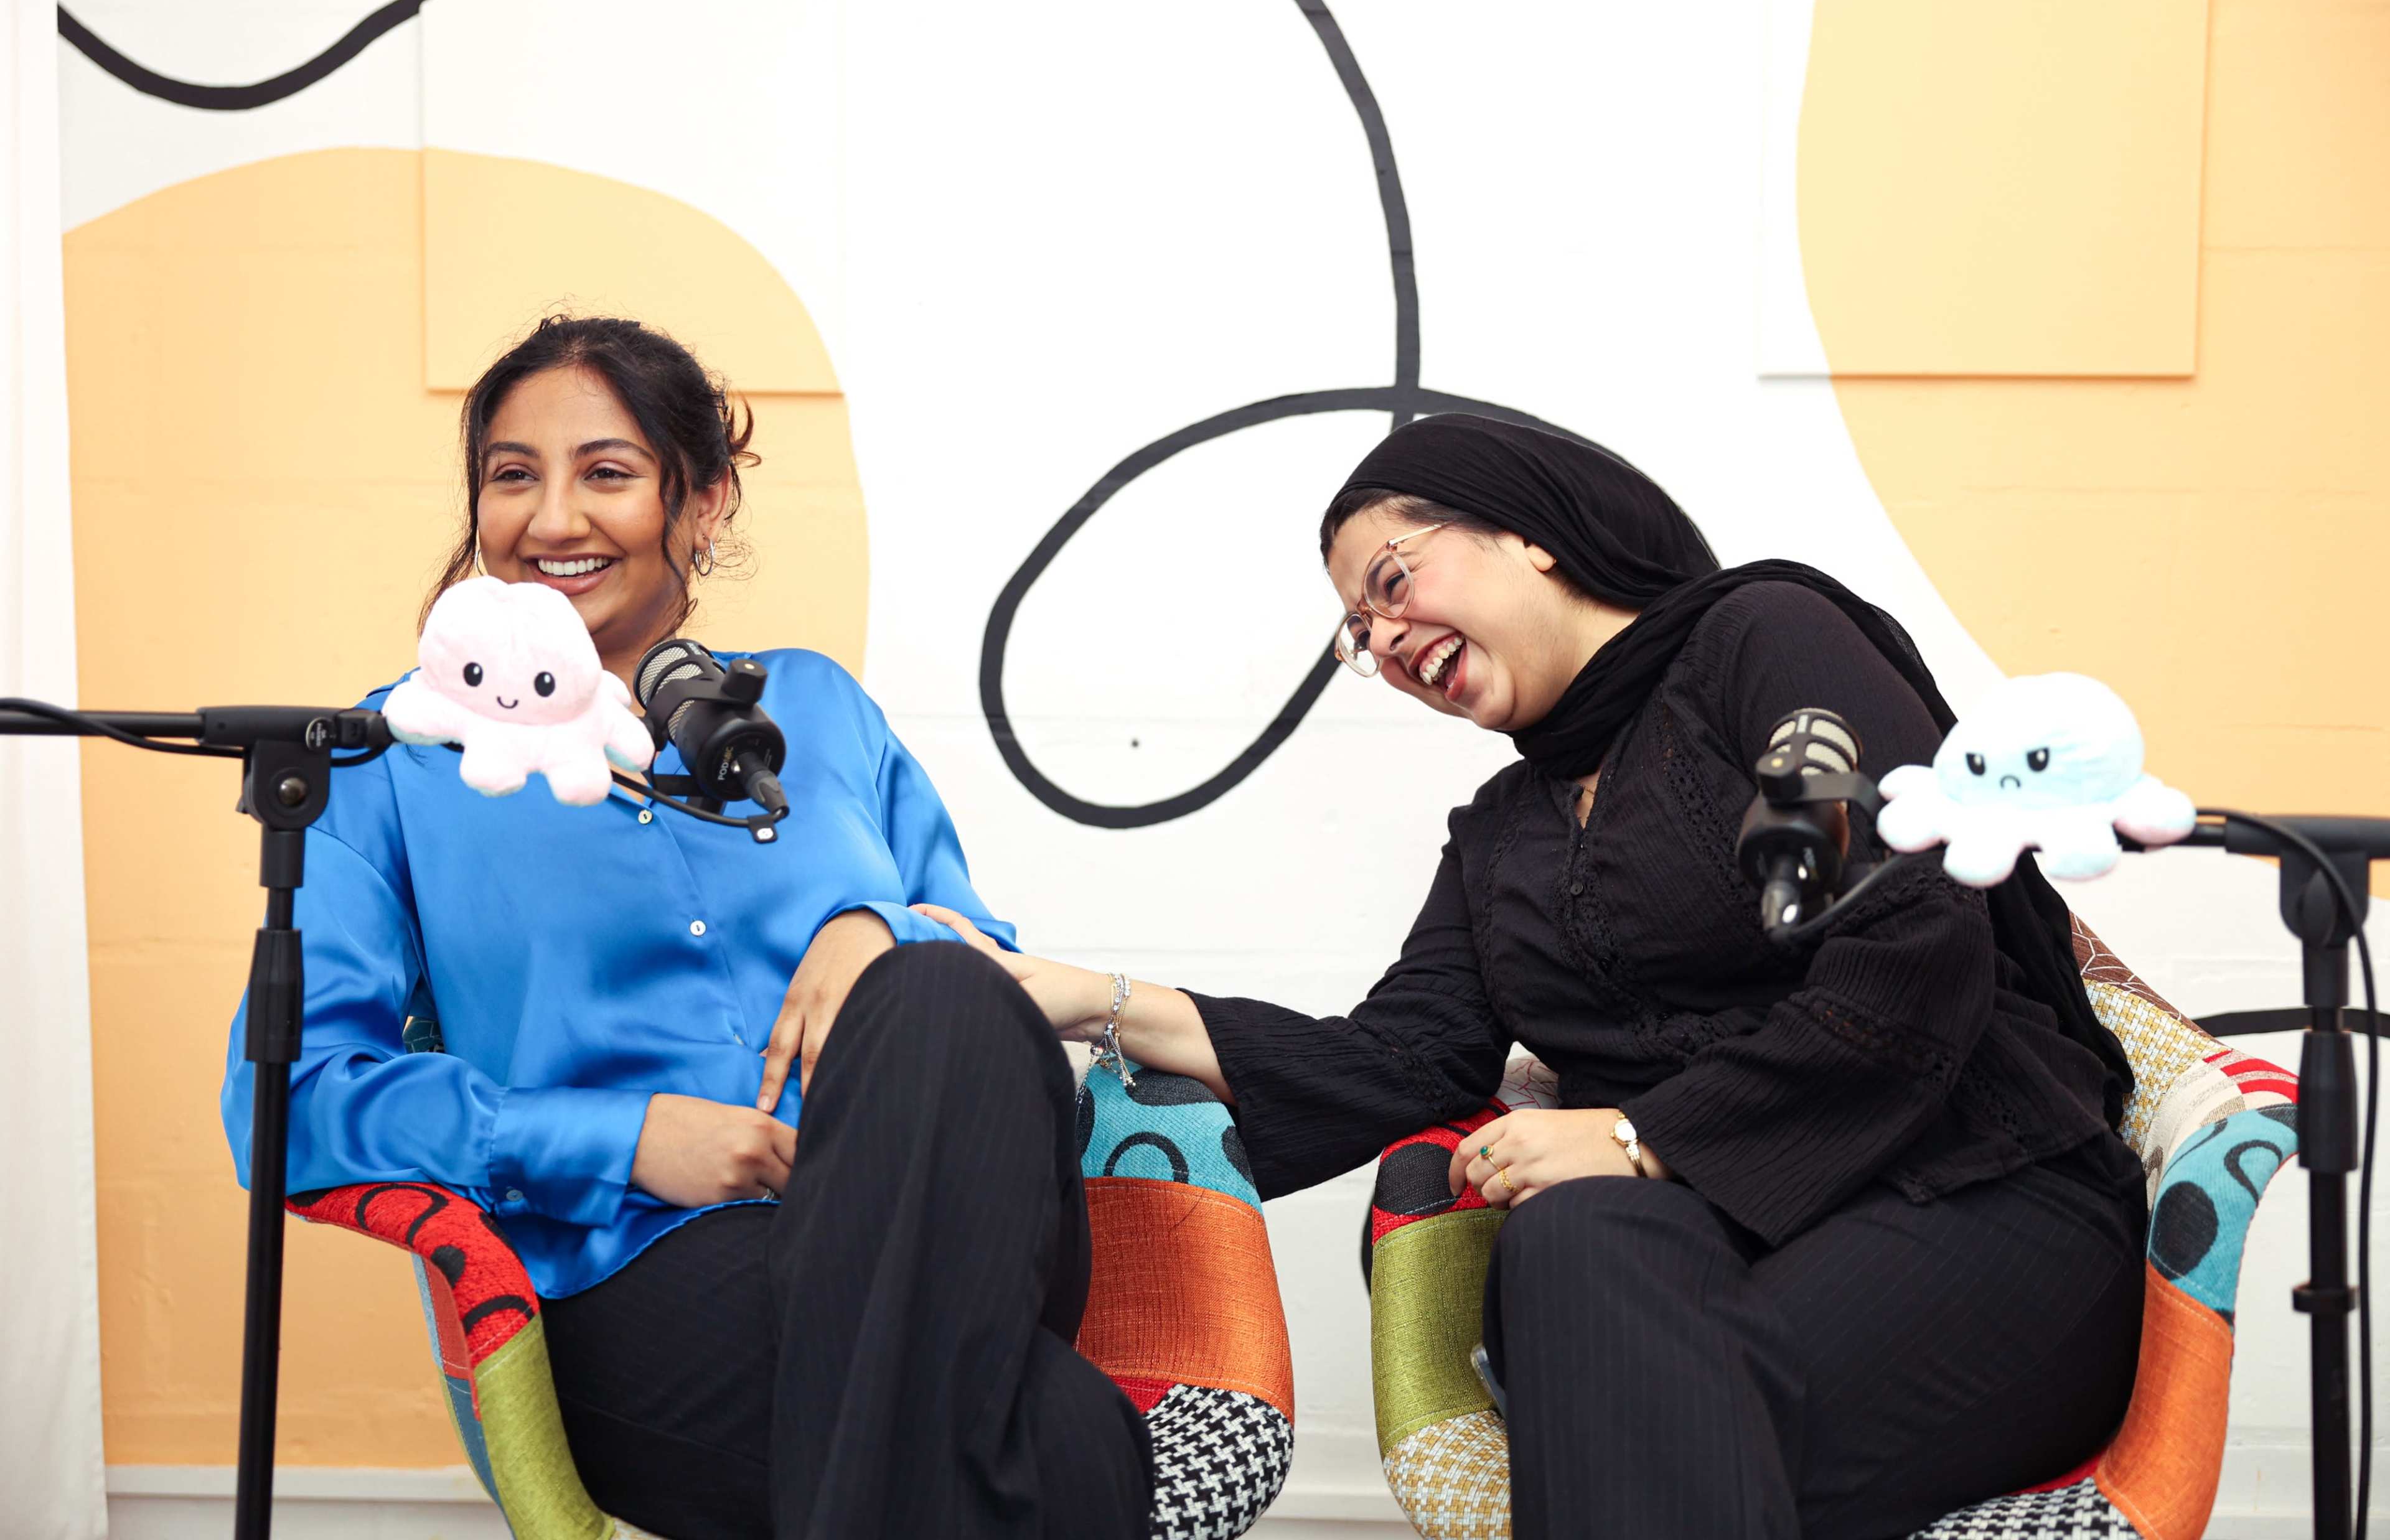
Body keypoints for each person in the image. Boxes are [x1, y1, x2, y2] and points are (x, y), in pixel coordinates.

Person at [923, 413, 2148, 1540]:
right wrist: (1085, 995)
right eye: (1361, 631)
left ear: (1529, 533)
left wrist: (1639, 1134)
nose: (1386, 640)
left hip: (1975, 1199)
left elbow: (1906, 928)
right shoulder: (1500, 834)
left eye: (1392, 582)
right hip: (1703, 1264)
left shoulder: (1760, 643)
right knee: (1570, 1247)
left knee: (1630, 1406)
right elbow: (1398, 1058)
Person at [221, 315, 1151, 1540]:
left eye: (605, 472)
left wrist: (878, 929)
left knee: (937, 996)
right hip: (642, 1276)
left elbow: (991, 994)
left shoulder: (821, 707)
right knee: (1075, 1437)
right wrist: (621, 1135)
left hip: (941, 1235)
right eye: (513, 474)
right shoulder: (394, 763)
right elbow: (287, 1105)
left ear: (702, 501)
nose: (553, 518)